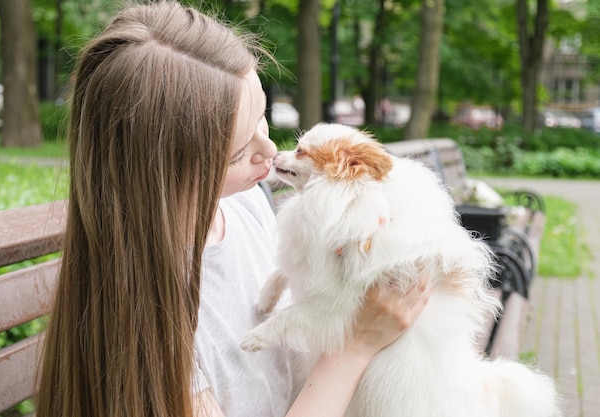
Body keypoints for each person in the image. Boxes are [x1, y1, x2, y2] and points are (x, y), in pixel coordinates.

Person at [36, 2, 430, 417]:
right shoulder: (144, 320)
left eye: (263, 118)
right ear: (162, 175)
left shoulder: (244, 206)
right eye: (241, 152)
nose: (271, 151)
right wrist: (355, 347)